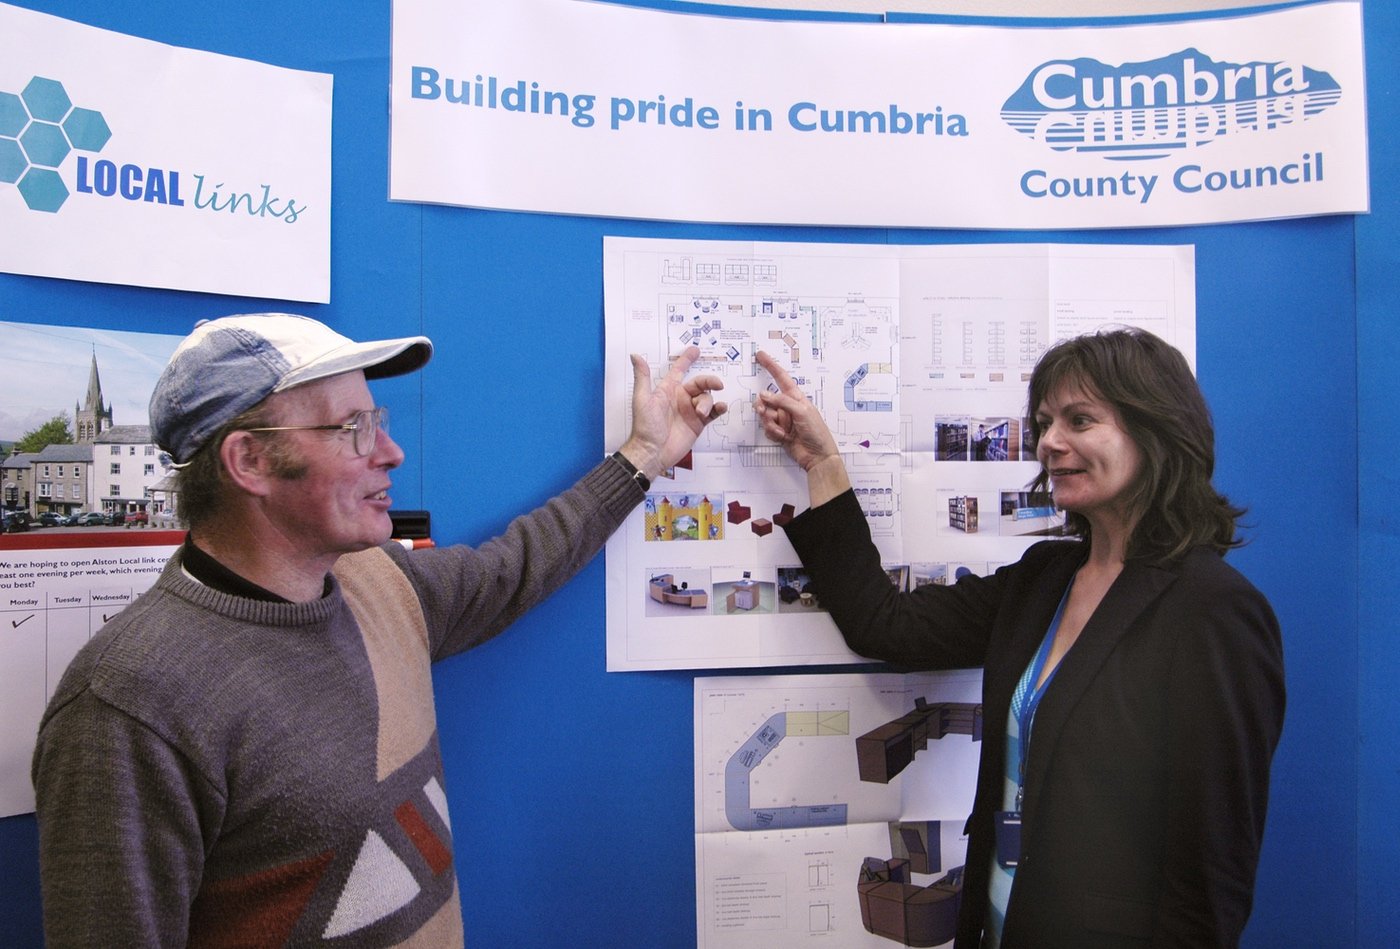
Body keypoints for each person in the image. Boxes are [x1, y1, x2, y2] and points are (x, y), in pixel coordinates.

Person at [31, 312, 725, 947]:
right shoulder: (129, 704)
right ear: (249, 461)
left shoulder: (380, 583)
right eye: (352, 428)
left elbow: (516, 566)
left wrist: (645, 455)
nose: (391, 451)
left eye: (378, 420)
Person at [754, 329, 1284, 949]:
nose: (1050, 442)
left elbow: (1210, 874)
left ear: (1156, 431)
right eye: (1045, 423)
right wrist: (822, 463)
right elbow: (886, 624)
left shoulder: (1212, 611)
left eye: (1080, 420)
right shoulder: (1044, 579)